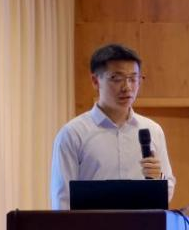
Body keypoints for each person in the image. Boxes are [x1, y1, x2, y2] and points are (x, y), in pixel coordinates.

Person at [50, 43, 175, 210]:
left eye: (133, 78)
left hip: (141, 225)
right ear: (95, 81)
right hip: (92, 225)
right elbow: (63, 198)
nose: (127, 87)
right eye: (117, 78)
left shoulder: (153, 130)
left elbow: (168, 186)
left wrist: (158, 178)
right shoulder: (73, 133)